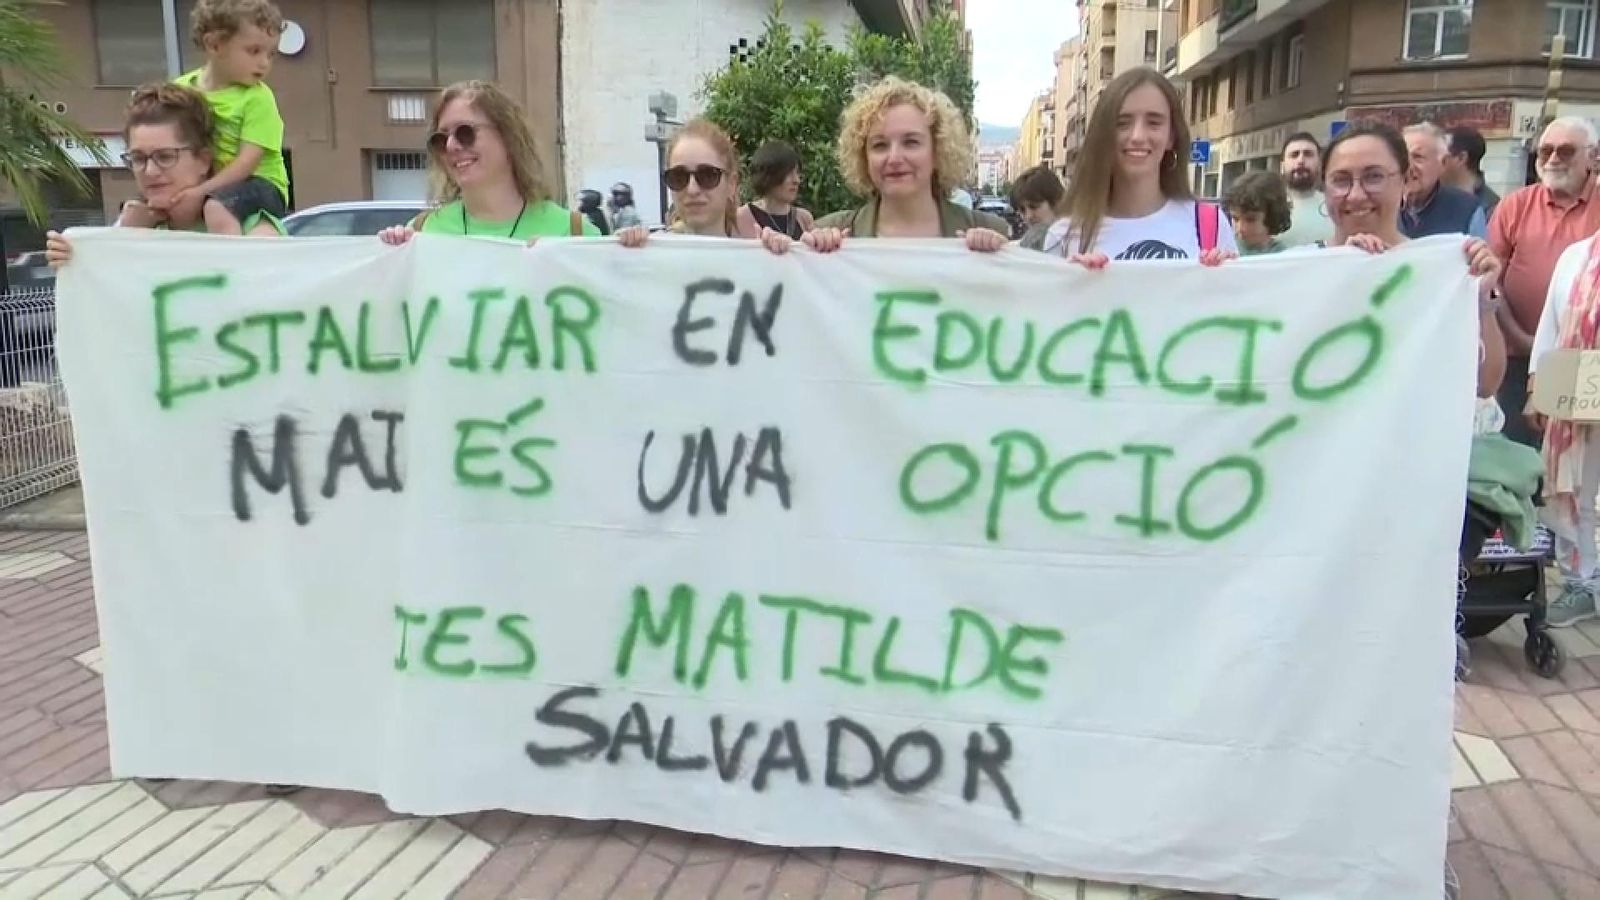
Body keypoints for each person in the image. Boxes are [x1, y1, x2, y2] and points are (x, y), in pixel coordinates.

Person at [43, 83, 297, 798]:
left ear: (205, 158)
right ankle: (175, 732)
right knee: (170, 597)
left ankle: (284, 741)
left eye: (166, 157)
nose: (150, 172)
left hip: (253, 465)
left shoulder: (250, 224)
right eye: (138, 158)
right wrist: (83, 257)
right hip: (169, 470)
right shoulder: (132, 242)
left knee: (260, 603)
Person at [1320, 120, 1503, 399]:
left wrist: (1481, 299)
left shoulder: (1441, 272)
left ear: (1404, 180)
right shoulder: (1297, 270)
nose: (1356, 195)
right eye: (1341, 180)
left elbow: (1484, 384)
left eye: (1374, 177)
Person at [1043, 68, 1236, 266]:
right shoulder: (1064, 237)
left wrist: (1224, 278)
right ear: (1103, 134)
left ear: (1172, 136)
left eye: (1154, 122)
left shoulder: (1211, 225)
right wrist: (1078, 282)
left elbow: (1237, 286)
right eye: (1122, 123)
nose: (1137, 136)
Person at [1491, 117, 1600, 449]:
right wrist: (1522, 339)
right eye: (1545, 151)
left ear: (1593, 157)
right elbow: (1491, 280)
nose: (1552, 159)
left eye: (1565, 151)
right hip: (1515, 355)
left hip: (1583, 361)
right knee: (1516, 453)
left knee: (1574, 454)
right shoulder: (1515, 205)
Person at [379, 81, 598, 245]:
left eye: (465, 133)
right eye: (441, 139)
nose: (451, 146)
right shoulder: (422, 233)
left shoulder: (574, 233)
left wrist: (620, 254)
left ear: (508, 137)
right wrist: (391, 252)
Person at [806, 77, 1009, 252]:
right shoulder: (828, 233)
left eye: (911, 142)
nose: (894, 158)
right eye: (880, 145)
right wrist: (800, 252)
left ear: (938, 151)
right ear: (863, 157)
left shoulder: (990, 231)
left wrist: (998, 262)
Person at [152, 0, 290, 237]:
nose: (264, 63)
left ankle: (228, 257)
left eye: (271, 54)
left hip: (262, 184)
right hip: (215, 185)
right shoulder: (181, 90)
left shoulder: (258, 98)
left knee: (216, 207)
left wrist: (201, 191)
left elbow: (247, 163)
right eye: (254, 51)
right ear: (214, 45)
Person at [614, 119, 795, 255]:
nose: (692, 189)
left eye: (708, 175)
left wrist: (792, 259)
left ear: (731, 184)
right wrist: (622, 258)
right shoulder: (647, 255)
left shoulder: (759, 258)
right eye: (678, 177)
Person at [1401, 122, 1488, 240]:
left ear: (1443, 163)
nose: (1408, 166)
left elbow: (1480, 250)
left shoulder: (1467, 210)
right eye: (1403, 157)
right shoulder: (1381, 201)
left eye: (1418, 157)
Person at [734, 140, 813, 240]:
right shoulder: (741, 217)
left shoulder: (803, 218)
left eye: (797, 173)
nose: (796, 180)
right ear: (769, 175)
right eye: (789, 174)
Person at [1279, 132, 1335, 248]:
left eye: (1308, 154)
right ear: (1282, 167)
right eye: (1294, 155)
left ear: (1320, 164)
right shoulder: (1265, 207)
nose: (1301, 160)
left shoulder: (1336, 206)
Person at [1222, 171, 1292, 256]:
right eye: (1235, 218)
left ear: (1272, 217)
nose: (1240, 228)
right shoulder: (1226, 248)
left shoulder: (1283, 254)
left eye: (1250, 220)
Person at [1445, 125, 1501, 219]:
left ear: (1461, 158)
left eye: (1441, 154)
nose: (1435, 160)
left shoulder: (1491, 208)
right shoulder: (1429, 198)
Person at [1009, 164, 1065, 251]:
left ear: (1056, 202)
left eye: (1034, 207)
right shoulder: (1024, 245)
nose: (1028, 216)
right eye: (1022, 210)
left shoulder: (1075, 243)